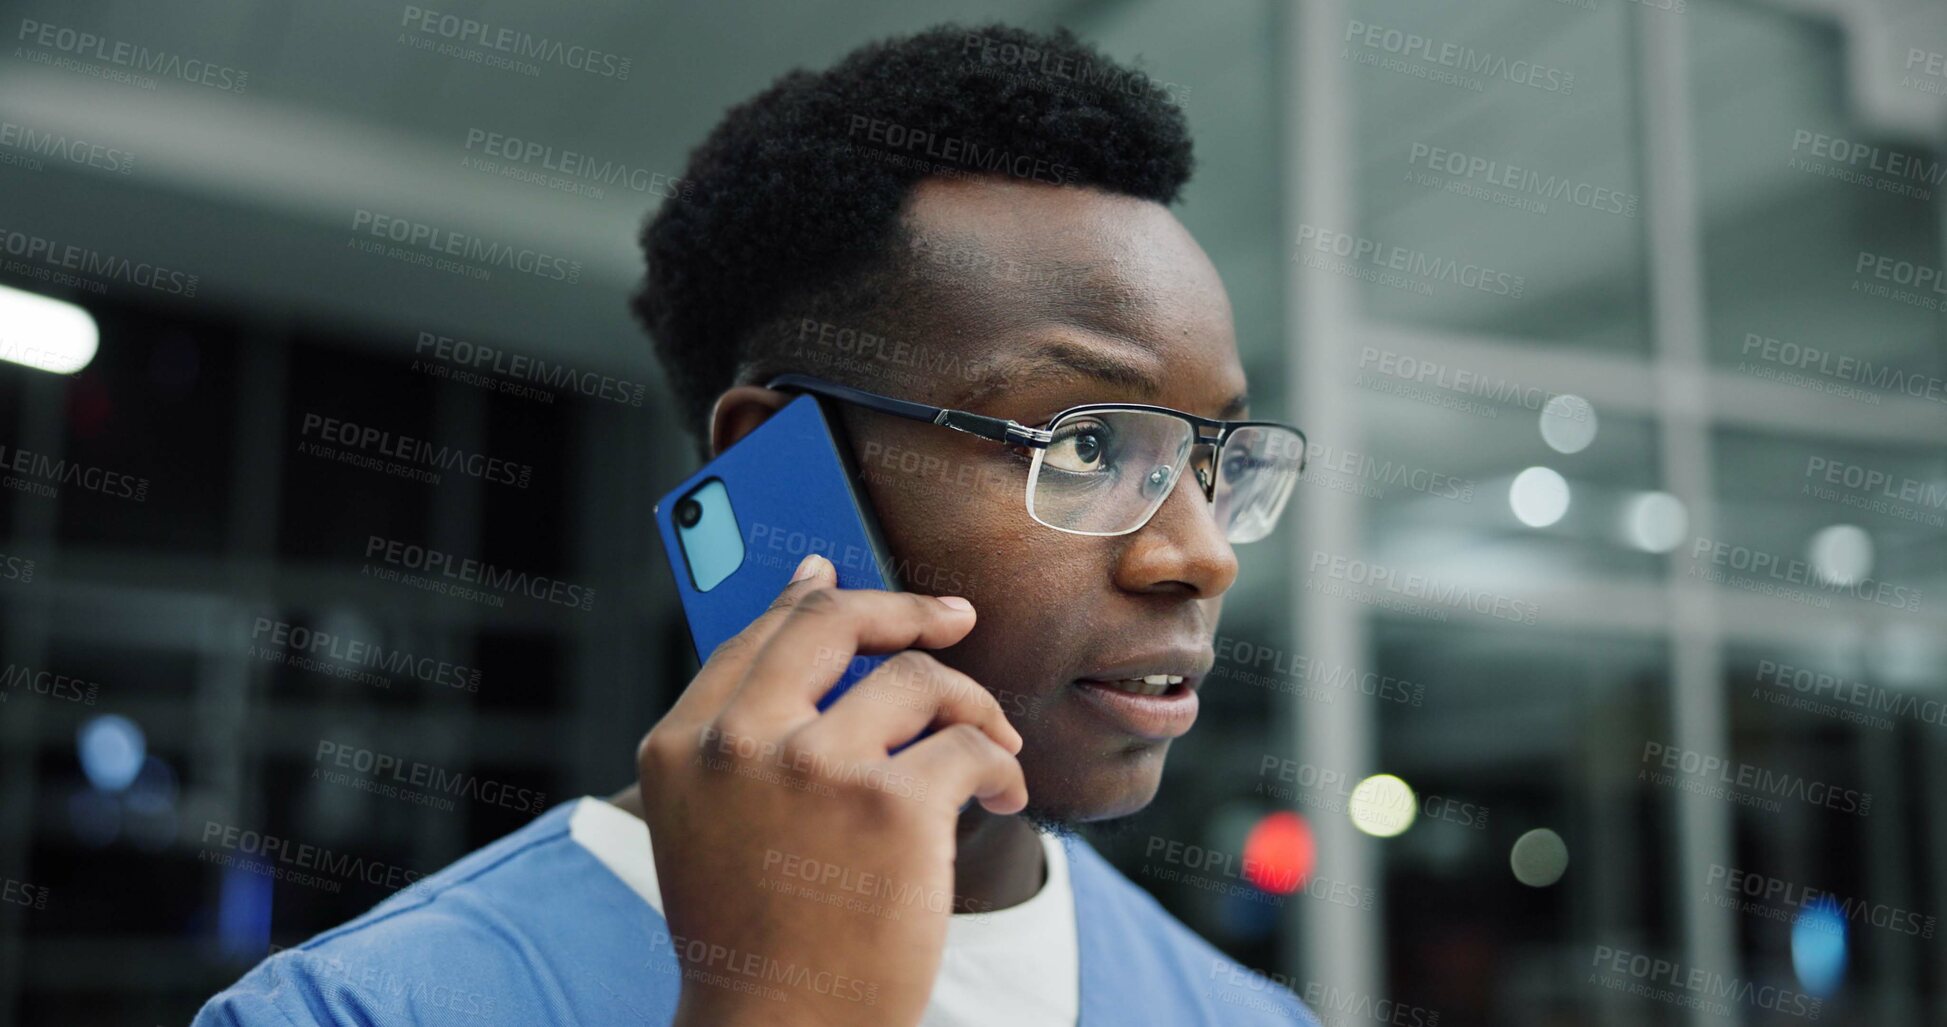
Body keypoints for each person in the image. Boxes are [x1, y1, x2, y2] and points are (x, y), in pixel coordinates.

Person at [197, 21, 1318, 1026]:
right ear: (774, 466)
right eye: (1084, 444)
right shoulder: (351, 1010)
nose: (1203, 553)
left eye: (1210, 458)